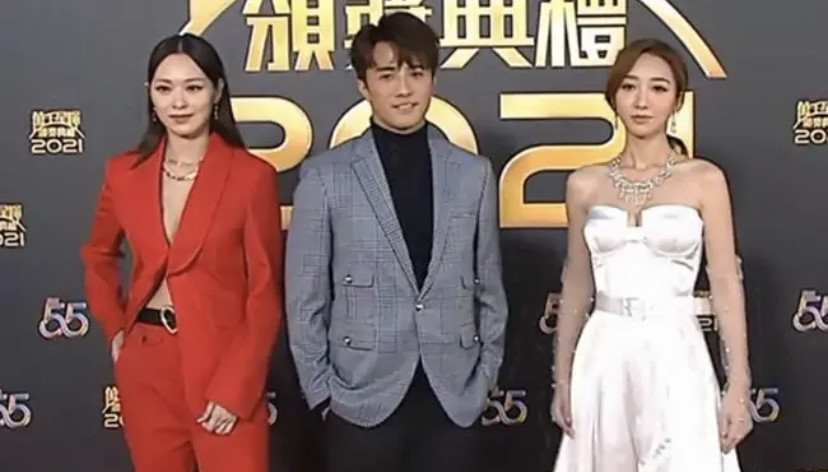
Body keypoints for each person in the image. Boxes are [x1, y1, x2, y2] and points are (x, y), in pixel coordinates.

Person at [285, 12, 508, 472]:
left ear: (432, 79)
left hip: (453, 399)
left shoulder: (473, 174)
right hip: (359, 400)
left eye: (416, 73)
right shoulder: (325, 177)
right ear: (364, 86)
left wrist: (485, 376)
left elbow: (489, 287)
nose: (404, 89)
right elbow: (305, 299)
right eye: (387, 75)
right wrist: (322, 392)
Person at [81, 33, 283, 472]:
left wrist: (237, 386)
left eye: (193, 87)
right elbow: (98, 254)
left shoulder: (252, 177)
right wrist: (116, 329)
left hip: (223, 365)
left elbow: (265, 291)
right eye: (164, 88)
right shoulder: (124, 173)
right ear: (150, 95)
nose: (178, 102)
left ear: (217, 91)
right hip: (148, 364)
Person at [550, 38, 753, 471]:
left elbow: (724, 282)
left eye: (658, 88)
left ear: (677, 100)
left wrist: (738, 382)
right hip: (603, 351)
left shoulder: (704, 179)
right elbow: (577, 284)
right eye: (629, 87)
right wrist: (562, 378)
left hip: (675, 348)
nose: (642, 101)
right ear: (614, 97)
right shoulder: (584, 184)